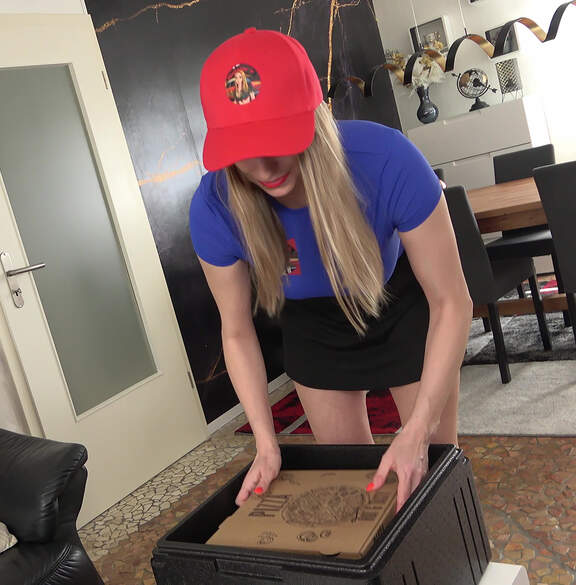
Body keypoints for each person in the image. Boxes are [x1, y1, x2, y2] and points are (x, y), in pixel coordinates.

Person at [190, 28, 472, 511]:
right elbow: (235, 332)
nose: (264, 167)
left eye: (277, 137)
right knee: (356, 488)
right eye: (243, 148)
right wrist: (266, 443)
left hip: (397, 303)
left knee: (430, 473)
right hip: (312, 323)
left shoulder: (387, 159)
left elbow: (452, 302)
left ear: (316, 116)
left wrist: (418, 429)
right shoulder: (215, 207)